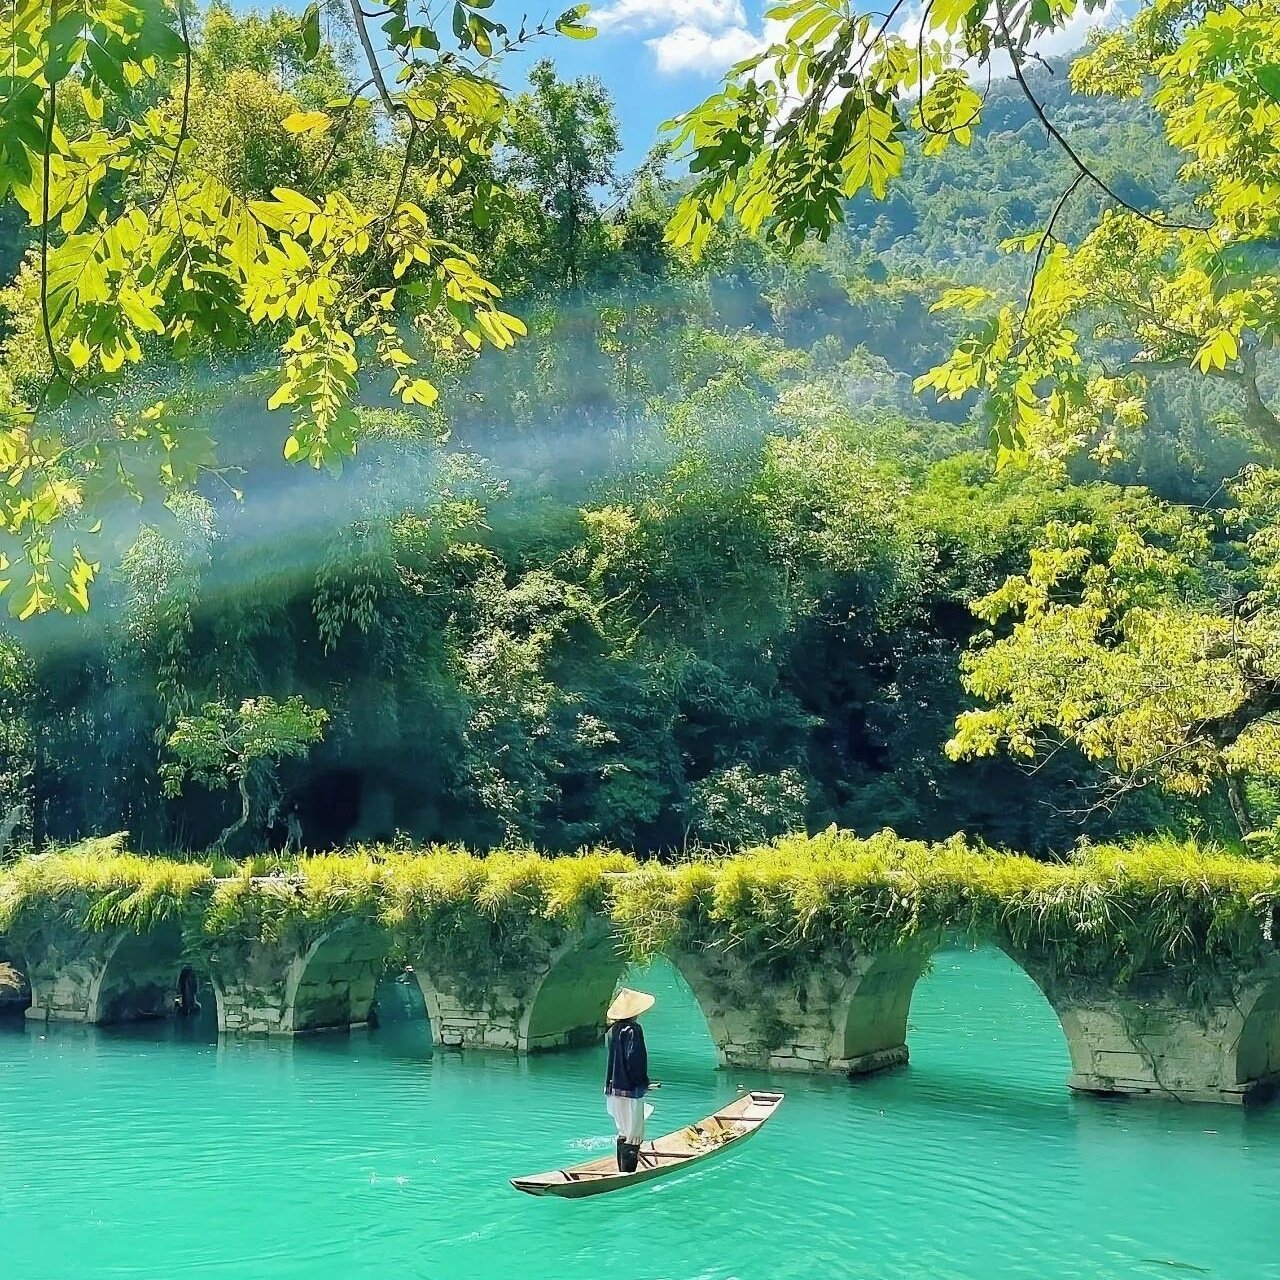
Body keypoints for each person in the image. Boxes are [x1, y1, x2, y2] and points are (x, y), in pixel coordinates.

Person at [604, 987, 658, 1173]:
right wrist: (643, 1083)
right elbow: (635, 1059)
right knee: (634, 1133)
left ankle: (621, 1170)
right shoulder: (633, 1030)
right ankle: (628, 1173)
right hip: (630, 1089)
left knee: (623, 1131)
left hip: (613, 1089)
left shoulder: (613, 1030)